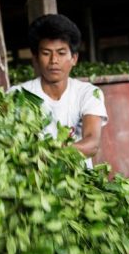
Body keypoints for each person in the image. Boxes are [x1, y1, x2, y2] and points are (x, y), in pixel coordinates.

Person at [11, 14, 108, 168]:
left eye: (61, 53)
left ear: (74, 58)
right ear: (35, 58)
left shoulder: (88, 93)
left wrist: (47, 155)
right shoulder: (17, 95)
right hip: (34, 184)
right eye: (46, 53)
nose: (54, 60)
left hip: (78, 182)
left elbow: (92, 143)